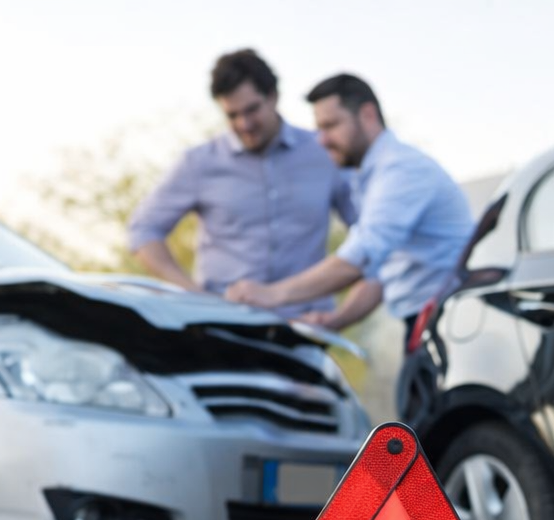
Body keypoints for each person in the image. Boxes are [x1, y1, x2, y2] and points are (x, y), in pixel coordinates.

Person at [225, 73, 473, 337]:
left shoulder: (402, 171)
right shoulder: (370, 178)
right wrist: (335, 321)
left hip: (455, 321)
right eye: (319, 128)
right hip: (430, 320)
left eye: (331, 125)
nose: (322, 140)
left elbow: (358, 259)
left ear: (367, 115)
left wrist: (271, 293)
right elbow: (379, 274)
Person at [128, 49, 355, 319]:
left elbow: (370, 238)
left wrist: (341, 317)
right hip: (223, 326)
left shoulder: (324, 153)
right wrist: (192, 295)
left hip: (305, 327)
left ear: (273, 97)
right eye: (232, 115)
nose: (244, 124)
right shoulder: (198, 163)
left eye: (252, 110)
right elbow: (143, 230)